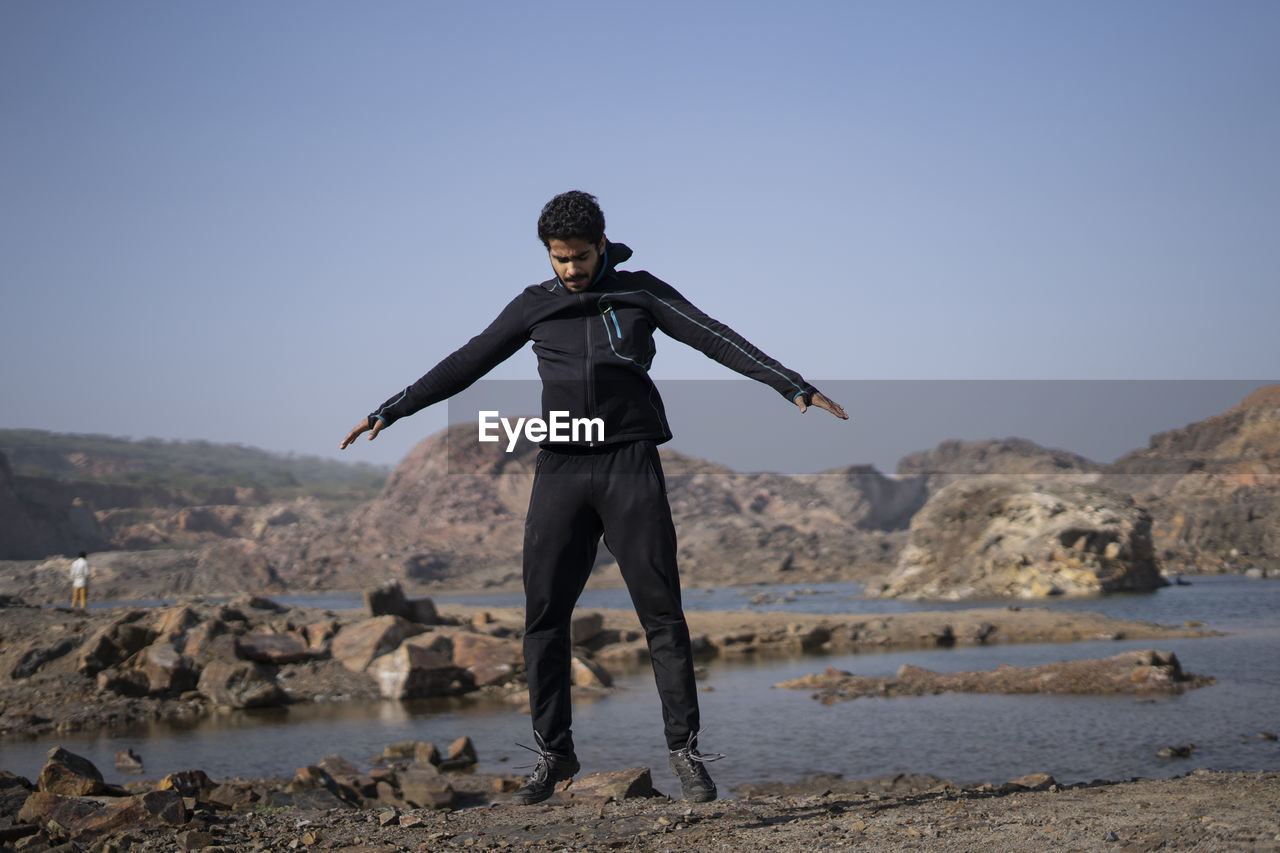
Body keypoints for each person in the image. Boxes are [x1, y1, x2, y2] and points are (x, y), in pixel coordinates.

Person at [341, 191, 848, 804]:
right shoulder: (533, 306)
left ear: (602, 244)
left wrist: (791, 385)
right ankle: (554, 756)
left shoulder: (642, 292)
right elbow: (465, 362)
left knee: (661, 612)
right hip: (560, 463)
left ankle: (684, 751)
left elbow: (716, 337)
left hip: (629, 463)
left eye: (580, 256)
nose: (572, 269)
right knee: (544, 616)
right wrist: (391, 411)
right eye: (560, 258)